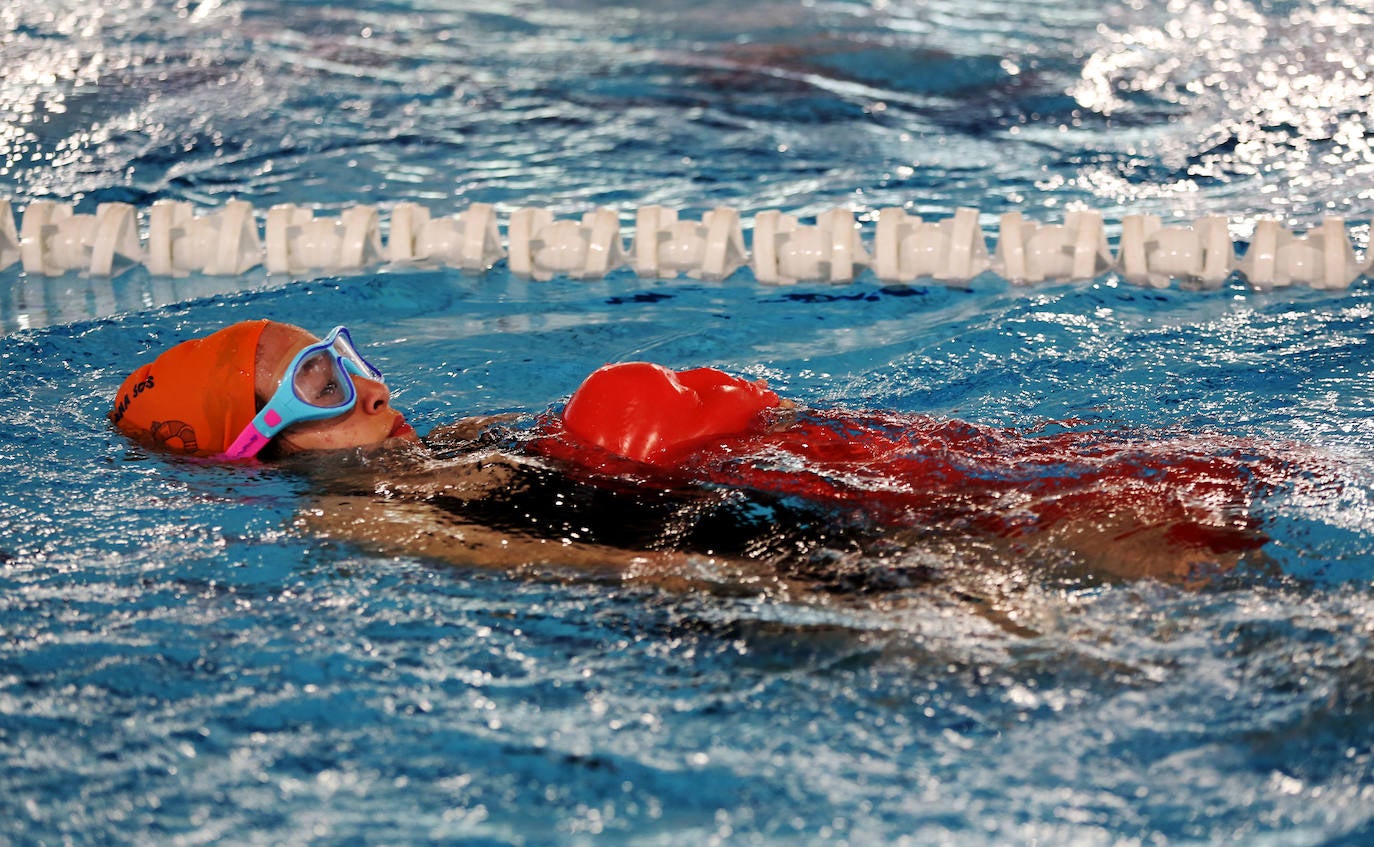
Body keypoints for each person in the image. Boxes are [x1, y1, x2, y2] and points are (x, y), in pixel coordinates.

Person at [109, 319, 1299, 600]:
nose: (367, 381)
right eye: (319, 381)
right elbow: (601, 573)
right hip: (807, 585)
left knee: (1186, 534)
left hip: (826, 536)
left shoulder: (460, 444)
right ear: (250, 445)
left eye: (345, 353)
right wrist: (824, 593)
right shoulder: (350, 523)